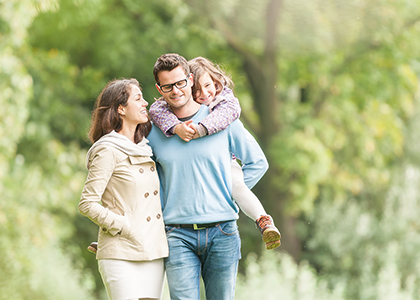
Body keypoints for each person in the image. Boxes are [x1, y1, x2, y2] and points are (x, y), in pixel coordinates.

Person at [147, 53, 268, 300]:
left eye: (180, 83)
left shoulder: (223, 120)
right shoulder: (154, 130)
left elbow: (257, 163)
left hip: (223, 231)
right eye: (168, 86)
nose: (176, 91)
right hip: (177, 234)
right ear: (159, 89)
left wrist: (230, 194)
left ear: (190, 80)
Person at [78, 78, 168, 300]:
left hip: (153, 252)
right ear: (120, 108)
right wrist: (123, 225)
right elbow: (87, 204)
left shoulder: (146, 148)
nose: (145, 103)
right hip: (120, 252)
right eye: (138, 98)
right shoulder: (108, 149)